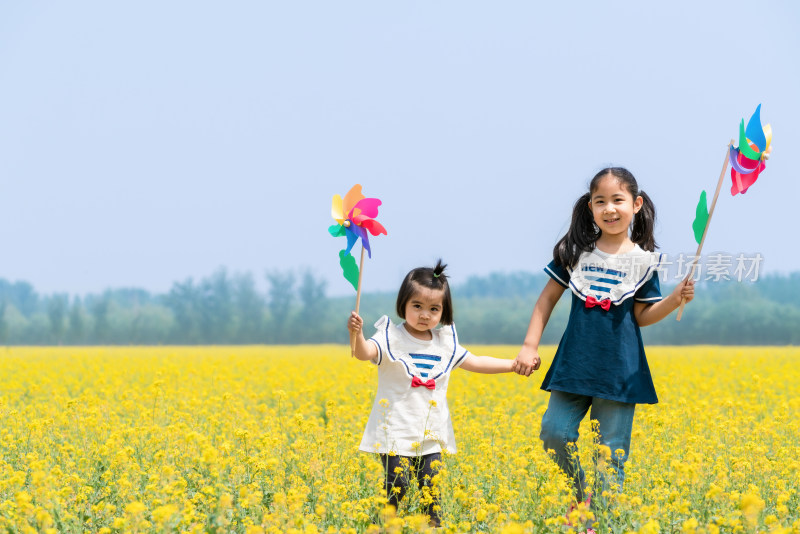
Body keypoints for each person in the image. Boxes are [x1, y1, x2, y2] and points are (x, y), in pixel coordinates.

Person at [512, 167, 695, 528]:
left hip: (620, 369)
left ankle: (604, 523)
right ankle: (580, 497)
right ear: (590, 207)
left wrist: (674, 300)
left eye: (618, 200)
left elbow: (642, 316)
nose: (609, 209)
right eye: (600, 202)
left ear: (636, 204)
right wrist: (529, 346)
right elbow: (546, 300)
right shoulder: (575, 252)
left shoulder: (644, 262)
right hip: (573, 364)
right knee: (554, 433)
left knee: (610, 454)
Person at [348, 260, 517, 528]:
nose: (424, 315)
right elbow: (363, 353)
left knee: (432, 491)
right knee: (398, 486)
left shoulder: (445, 344)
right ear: (403, 304)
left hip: (430, 434)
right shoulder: (390, 337)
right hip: (395, 431)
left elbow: (475, 362)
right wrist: (355, 334)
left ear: (443, 312)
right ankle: (386, 527)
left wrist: (512, 365)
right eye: (417, 306)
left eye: (433, 309)